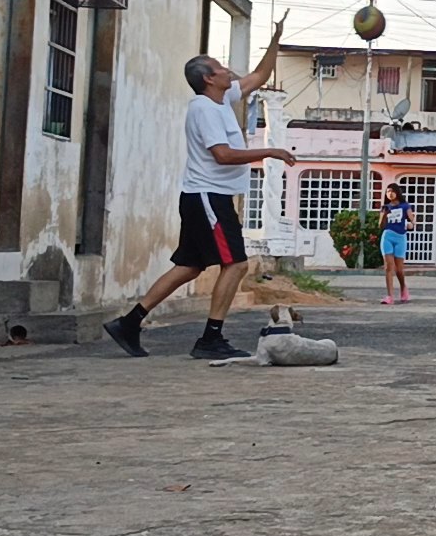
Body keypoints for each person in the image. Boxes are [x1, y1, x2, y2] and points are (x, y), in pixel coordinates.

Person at [102, 18, 298, 359]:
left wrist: (276, 39)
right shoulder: (204, 109)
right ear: (209, 79)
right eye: (220, 67)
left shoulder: (222, 101)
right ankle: (210, 338)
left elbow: (258, 77)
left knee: (190, 266)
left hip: (204, 197)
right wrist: (270, 150)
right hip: (208, 198)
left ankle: (129, 323)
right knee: (236, 264)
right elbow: (222, 155)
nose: (228, 70)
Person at [379, 182, 414, 305]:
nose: (390, 194)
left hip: (400, 238)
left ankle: (403, 287)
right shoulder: (385, 207)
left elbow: (412, 221)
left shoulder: (405, 206)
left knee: (399, 269)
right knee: (388, 267)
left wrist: (411, 224)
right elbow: (381, 226)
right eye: (388, 191)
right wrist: (384, 216)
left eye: (392, 191)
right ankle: (389, 296)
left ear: (397, 192)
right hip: (387, 236)